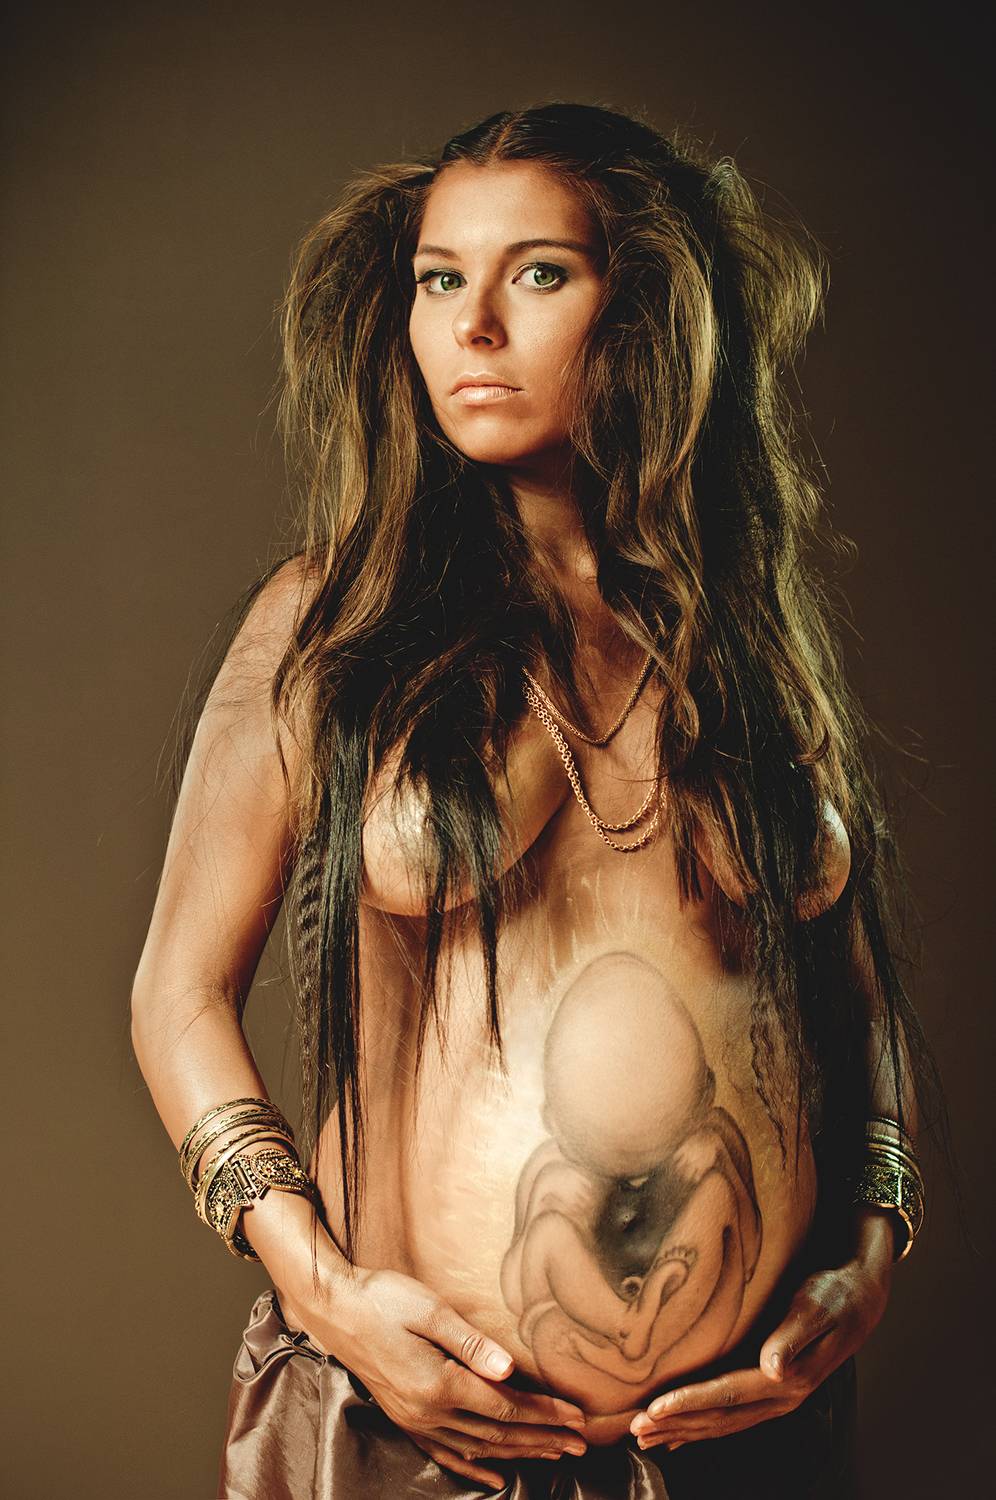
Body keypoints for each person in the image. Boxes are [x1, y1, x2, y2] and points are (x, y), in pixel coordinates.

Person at [130, 102, 943, 1498]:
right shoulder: (330, 623)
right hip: (423, 1436)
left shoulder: (746, 638)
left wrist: (872, 1250)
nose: (474, 326)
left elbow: (857, 1000)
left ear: (646, 313)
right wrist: (325, 1294)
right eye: (441, 278)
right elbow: (176, 993)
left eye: (540, 273)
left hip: (746, 1440)